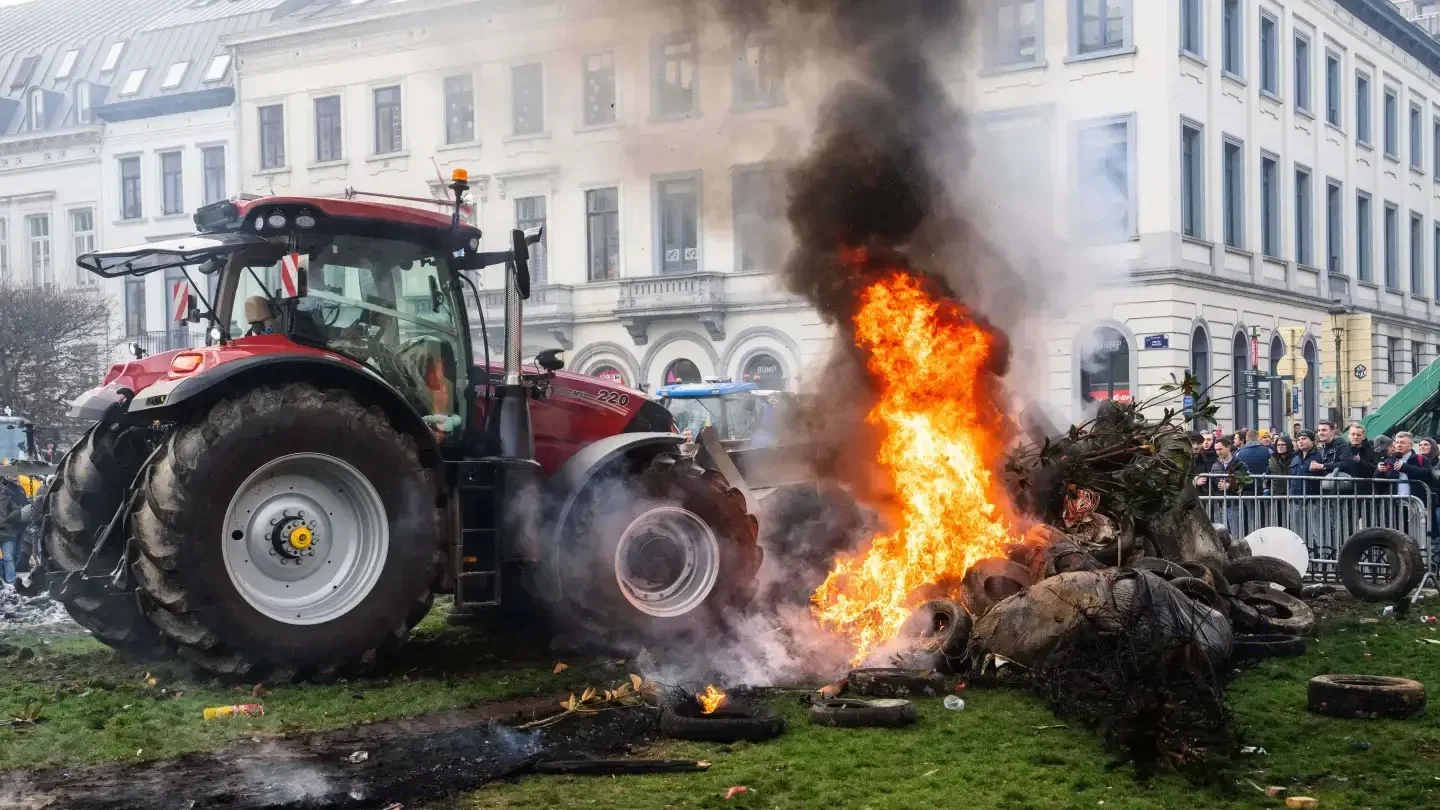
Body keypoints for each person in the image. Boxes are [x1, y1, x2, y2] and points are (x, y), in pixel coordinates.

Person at [0, 474, 29, 586]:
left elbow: (18, 509)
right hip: (12, 529)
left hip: (9, 530)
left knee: (11, 557)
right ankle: (6, 579)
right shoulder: (8, 489)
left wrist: (8, 519)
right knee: (9, 558)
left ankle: (10, 581)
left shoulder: (12, 492)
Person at [1235, 428, 1272, 494]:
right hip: (1263, 487)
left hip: (1246, 488)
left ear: (1246, 439)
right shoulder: (1268, 451)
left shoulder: (1239, 453)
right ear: (1257, 438)